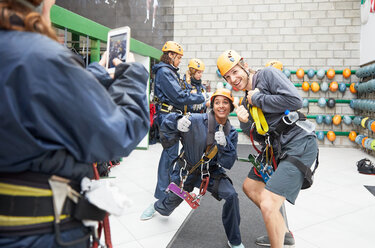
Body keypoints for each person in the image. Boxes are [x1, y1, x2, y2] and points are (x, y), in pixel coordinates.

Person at [0, 1, 149, 247]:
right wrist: (132, 75)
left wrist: (97, 73)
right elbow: (119, 133)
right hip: (38, 233)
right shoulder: (41, 56)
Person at [217, 50, 318, 248]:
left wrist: (259, 99)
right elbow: (258, 136)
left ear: (244, 65)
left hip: (299, 142)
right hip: (276, 147)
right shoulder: (246, 99)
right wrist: (245, 122)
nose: (233, 79)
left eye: (235, 72)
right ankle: (283, 232)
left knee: (269, 204)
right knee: (251, 187)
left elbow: (295, 101)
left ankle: (277, 237)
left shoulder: (267, 75)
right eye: (228, 77)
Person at [141, 88, 245, 248]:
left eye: (225, 102)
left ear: (231, 107)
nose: (221, 106)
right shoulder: (196, 120)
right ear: (212, 106)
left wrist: (225, 145)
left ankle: (235, 240)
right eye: (217, 102)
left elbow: (228, 163)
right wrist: (175, 122)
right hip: (187, 170)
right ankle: (156, 206)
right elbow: (166, 131)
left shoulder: (231, 132)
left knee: (231, 195)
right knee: (170, 204)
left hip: (211, 172)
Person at [152, 41, 205, 200]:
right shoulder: (165, 72)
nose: (180, 60)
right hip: (168, 117)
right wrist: (201, 97)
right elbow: (179, 96)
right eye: (178, 57)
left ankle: (170, 185)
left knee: (174, 153)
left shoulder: (169, 72)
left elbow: (180, 93)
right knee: (169, 154)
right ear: (170, 55)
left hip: (172, 116)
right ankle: (162, 192)